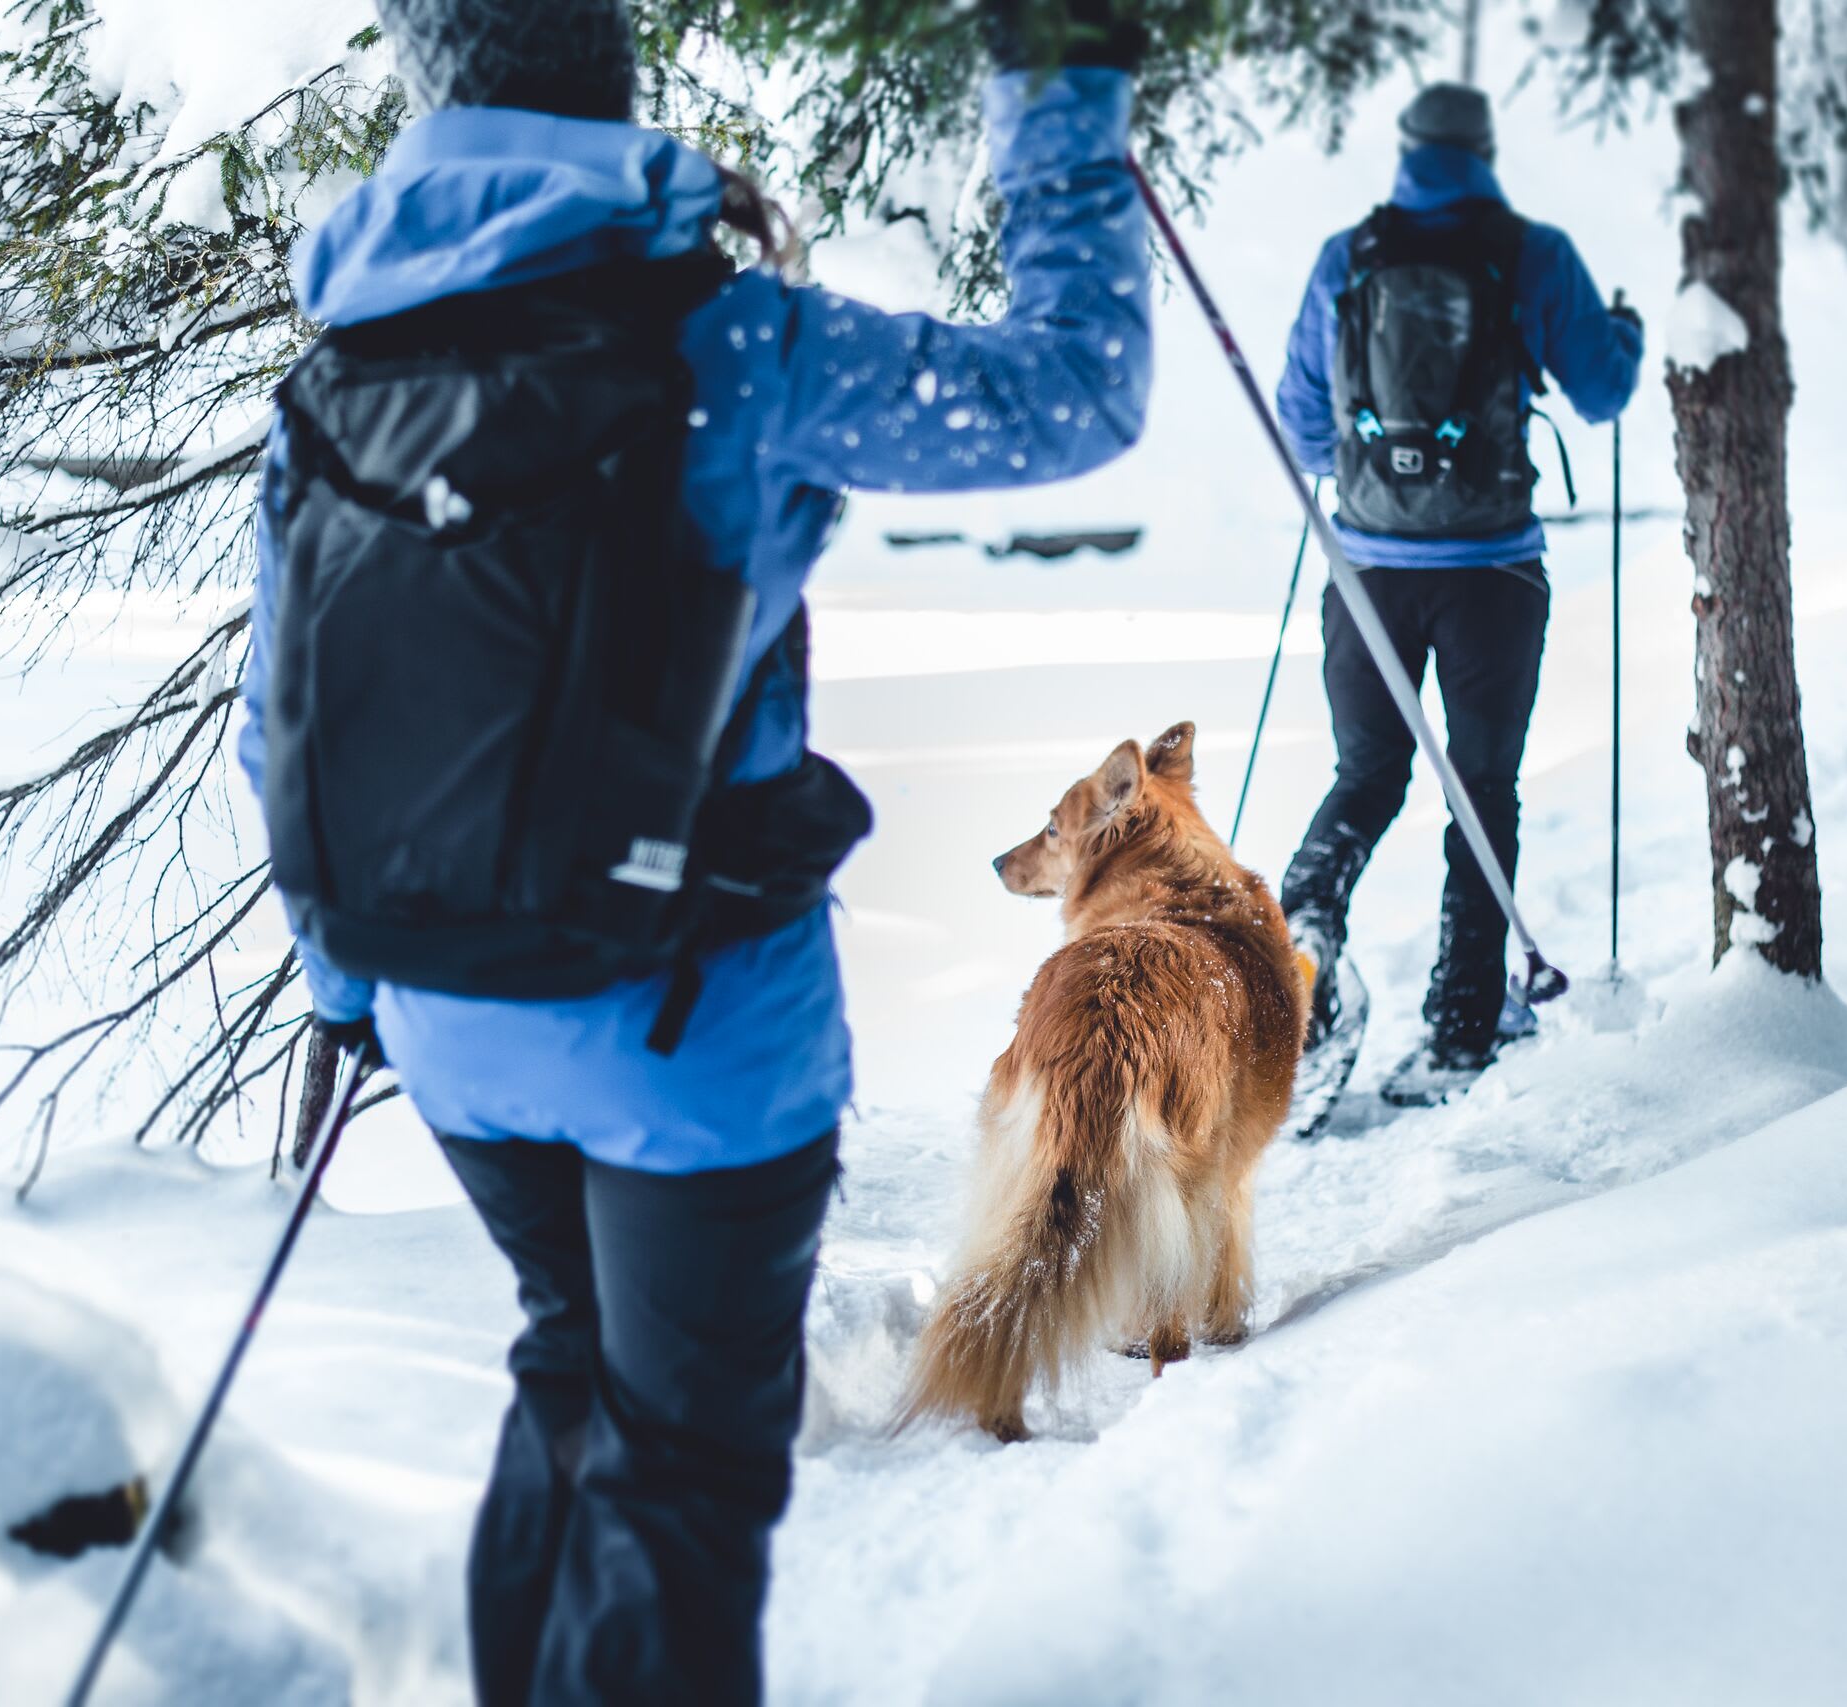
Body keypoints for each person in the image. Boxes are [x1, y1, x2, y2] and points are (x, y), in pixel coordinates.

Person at [237, 3, 1152, 1701]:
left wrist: (351, 990)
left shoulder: (342, 367)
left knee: (568, 1363)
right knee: (678, 1480)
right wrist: (1063, 102)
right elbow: (1074, 395)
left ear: (433, 84)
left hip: (449, 1017)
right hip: (698, 1038)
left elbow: (276, 722)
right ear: (617, 73)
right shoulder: (734, 340)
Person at [1274, 82, 1641, 1107]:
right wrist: (1623, 332)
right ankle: (1461, 1031)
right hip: (1492, 575)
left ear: (1403, 152)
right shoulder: (1533, 253)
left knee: (1366, 775)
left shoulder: (1346, 257)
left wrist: (1373, 471)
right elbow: (1602, 394)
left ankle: (1305, 925)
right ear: (1484, 151)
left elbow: (1304, 423)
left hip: (1368, 570)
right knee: (1481, 794)